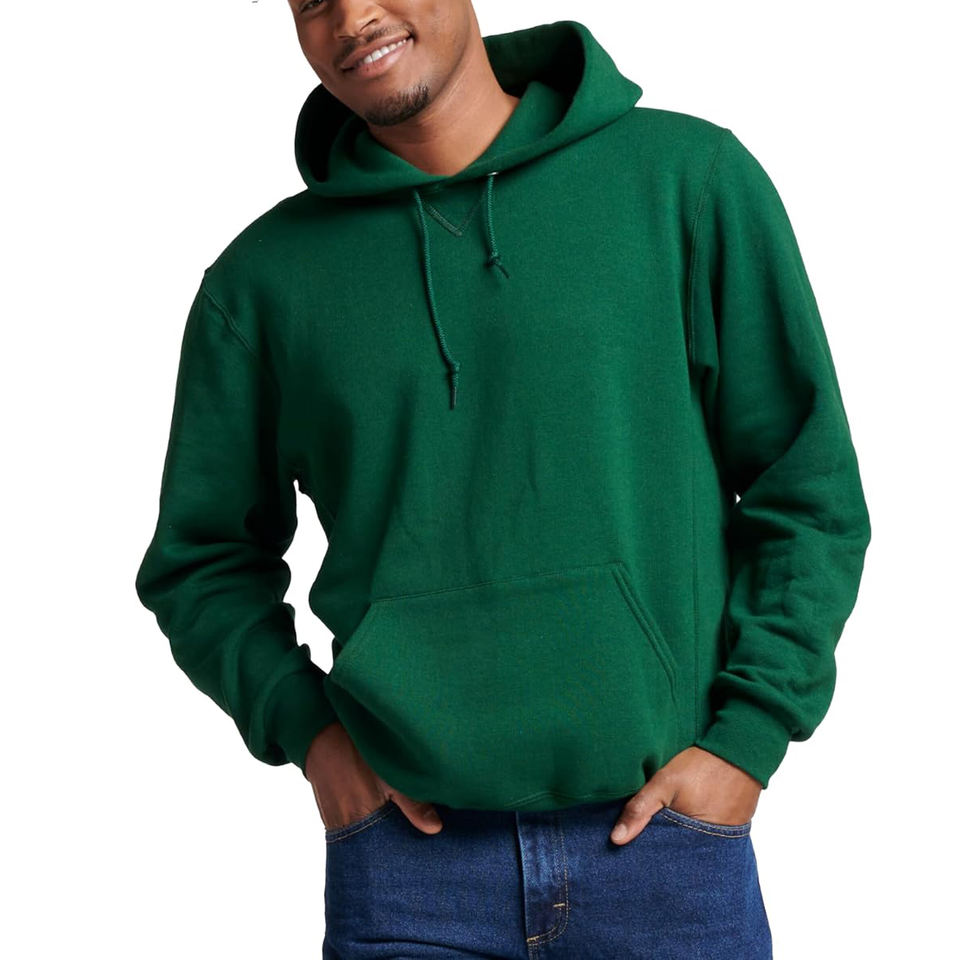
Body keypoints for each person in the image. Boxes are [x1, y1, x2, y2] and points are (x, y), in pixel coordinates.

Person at [135, 3, 871, 956]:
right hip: (407, 872)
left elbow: (806, 488)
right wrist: (311, 736)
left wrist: (748, 738)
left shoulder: (685, 181)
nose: (352, 15)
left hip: (666, 850)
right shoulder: (262, 281)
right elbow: (200, 560)